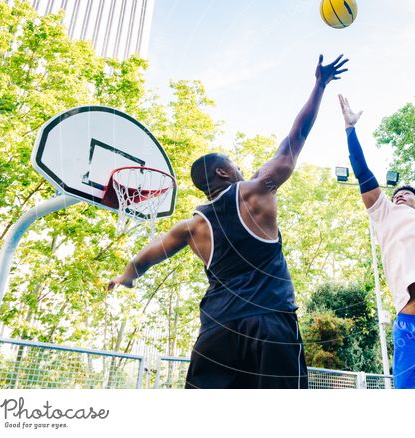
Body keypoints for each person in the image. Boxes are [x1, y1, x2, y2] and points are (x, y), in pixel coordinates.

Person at [107, 54, 349, 389]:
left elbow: (145, 257)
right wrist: (320, 85)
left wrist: (127, 277)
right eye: (233, 164)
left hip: (217, 329)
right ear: (223, 172)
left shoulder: (190, 227)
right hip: (269, 323)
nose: (240, 168)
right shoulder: (255, 191)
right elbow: (296, 137)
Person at [338, 95, 415, 389]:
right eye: (396, 194)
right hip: (412, 329)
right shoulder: (384, 215)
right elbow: (363, 174)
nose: (399, 196)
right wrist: (350, 130)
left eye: (406, 194)